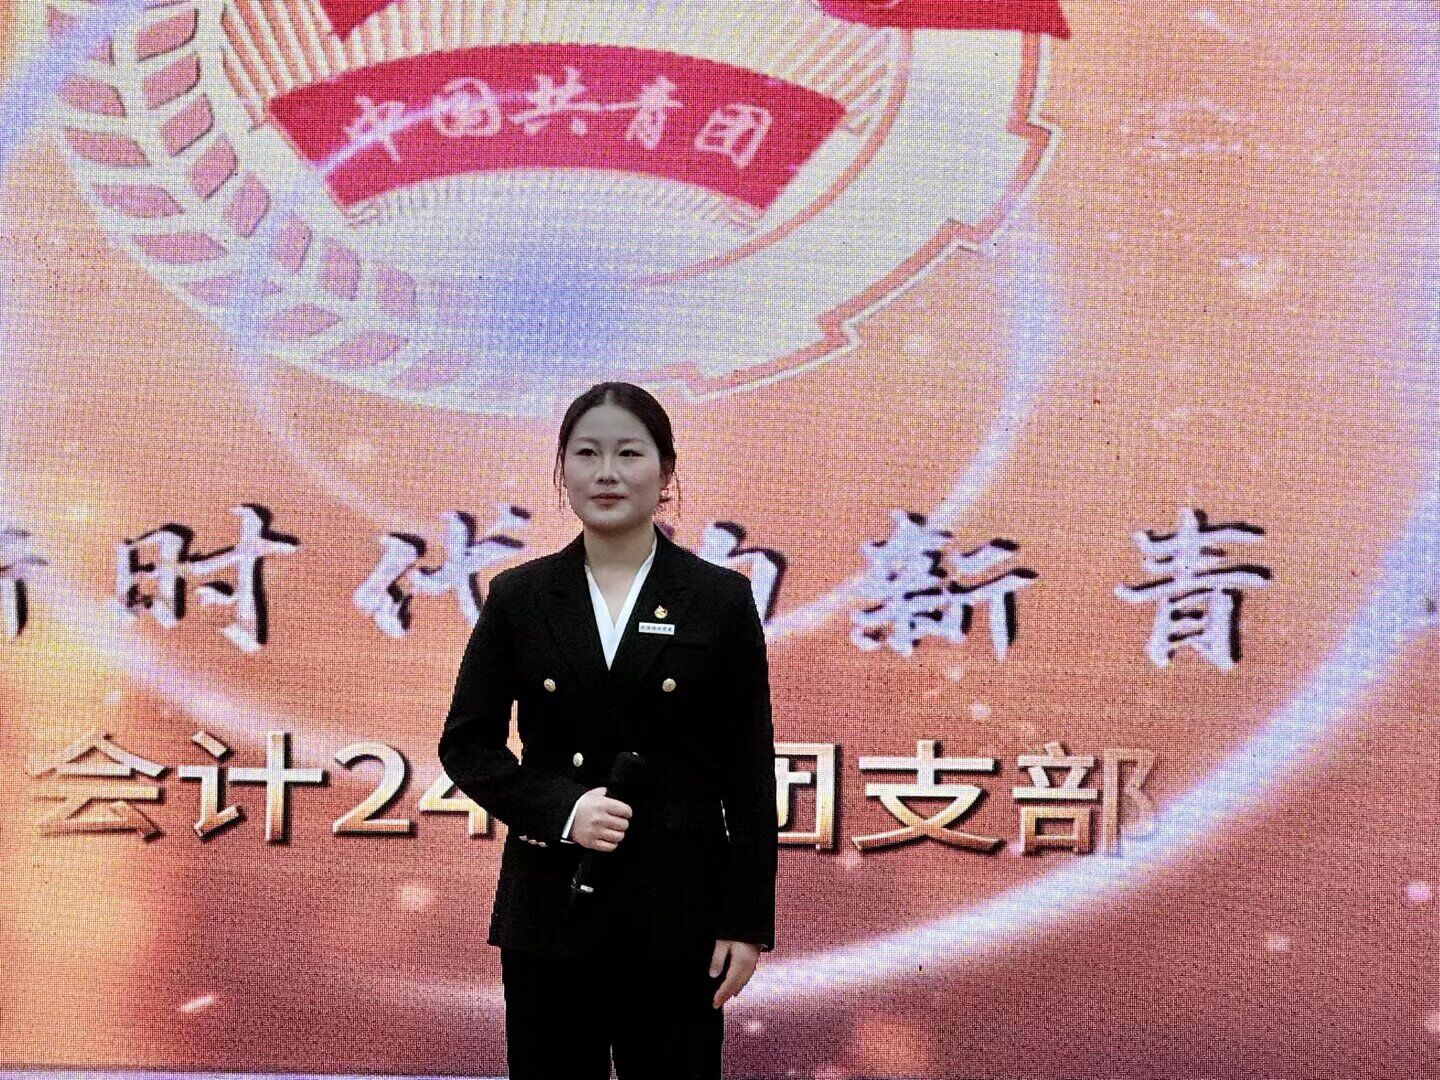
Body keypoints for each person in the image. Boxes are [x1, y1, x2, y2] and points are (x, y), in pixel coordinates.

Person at [438, 381, 778, 1079]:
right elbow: (467, 745)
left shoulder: (718, 598)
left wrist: (745, 923)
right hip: (551, 910)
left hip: (678, 916)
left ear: (666, 471)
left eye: (629, 453)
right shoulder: (520, 596)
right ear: (562, 472)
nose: (607, 473)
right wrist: (566, 810)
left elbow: (748, 772)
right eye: (587, 454)